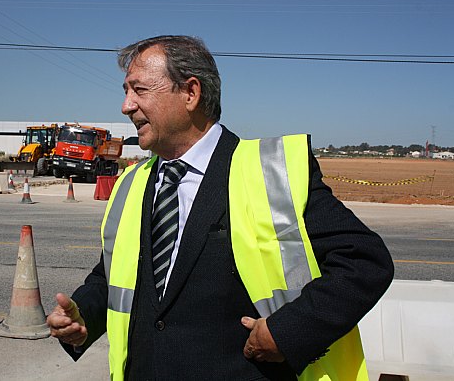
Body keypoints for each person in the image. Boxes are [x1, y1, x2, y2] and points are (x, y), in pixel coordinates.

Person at [47, 35, 394, 380]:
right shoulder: (131, 183)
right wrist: (84, 317)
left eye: (139, 90)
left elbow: (363, 262)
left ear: (190, 93)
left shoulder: (272, 171)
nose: (126, 106)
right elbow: (114, 272)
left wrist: (286, 333)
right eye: (125, 91)